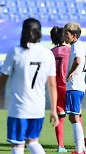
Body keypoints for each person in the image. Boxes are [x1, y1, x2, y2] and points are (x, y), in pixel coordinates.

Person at [0, 18, 59, 154]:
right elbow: (52, 85)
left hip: (19, 108)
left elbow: (3, 79)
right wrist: (53, 110)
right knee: (33, 142)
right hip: (38, 109)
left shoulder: (15, 52)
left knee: (17, 146)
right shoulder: (47, 54)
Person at [63, 22, 86, 154]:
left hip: (74, 85)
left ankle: (79, 149)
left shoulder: (76, 45)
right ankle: (81, 148)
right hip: (78, 85)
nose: (64, 36)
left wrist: (70, 72)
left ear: (74, 35)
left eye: (66, 34)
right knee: (74, 115)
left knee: (73, 116)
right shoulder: (79, 45)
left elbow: (78, 60)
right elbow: (83, 59)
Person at [50, 26, 70, 153]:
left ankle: (60, 146)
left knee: (60, 116)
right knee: (76, 115)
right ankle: (80, 144)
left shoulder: (50, 52)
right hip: (68, 86)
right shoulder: (70, 50)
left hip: (56, 87)